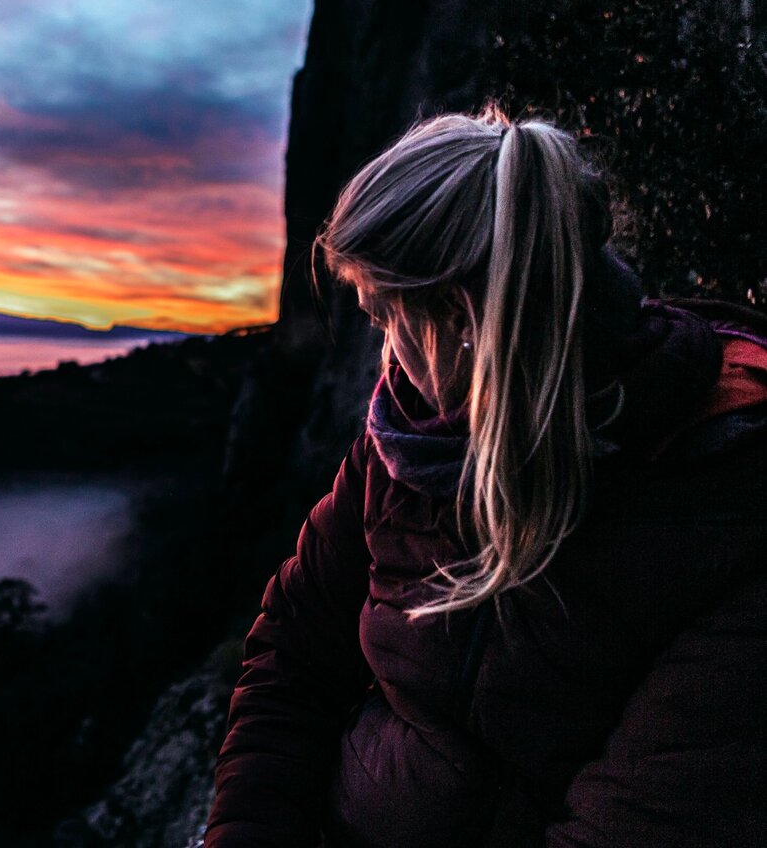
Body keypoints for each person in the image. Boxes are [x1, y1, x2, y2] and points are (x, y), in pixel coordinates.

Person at [203, 107, 767, 847]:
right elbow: (292, 651)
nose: (385, 359)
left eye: (384, 318)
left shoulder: (728, 499)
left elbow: (643, 822)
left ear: (461, 315)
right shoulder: (411, 439)